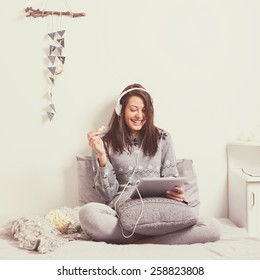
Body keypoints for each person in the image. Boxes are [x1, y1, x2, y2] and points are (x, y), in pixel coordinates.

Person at [79, 83, 220, 244]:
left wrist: (178, 194)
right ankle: (160, 237)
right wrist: (101, 154)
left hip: (158, 206)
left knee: (213, 227)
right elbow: (107, 195)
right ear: (121, 110)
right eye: (133, 109)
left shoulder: (163, 137)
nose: (140, 115)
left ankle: (143, 238)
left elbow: (170, 179)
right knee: (88, 213)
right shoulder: (103, 142)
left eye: (145, 110)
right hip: (122, 211)